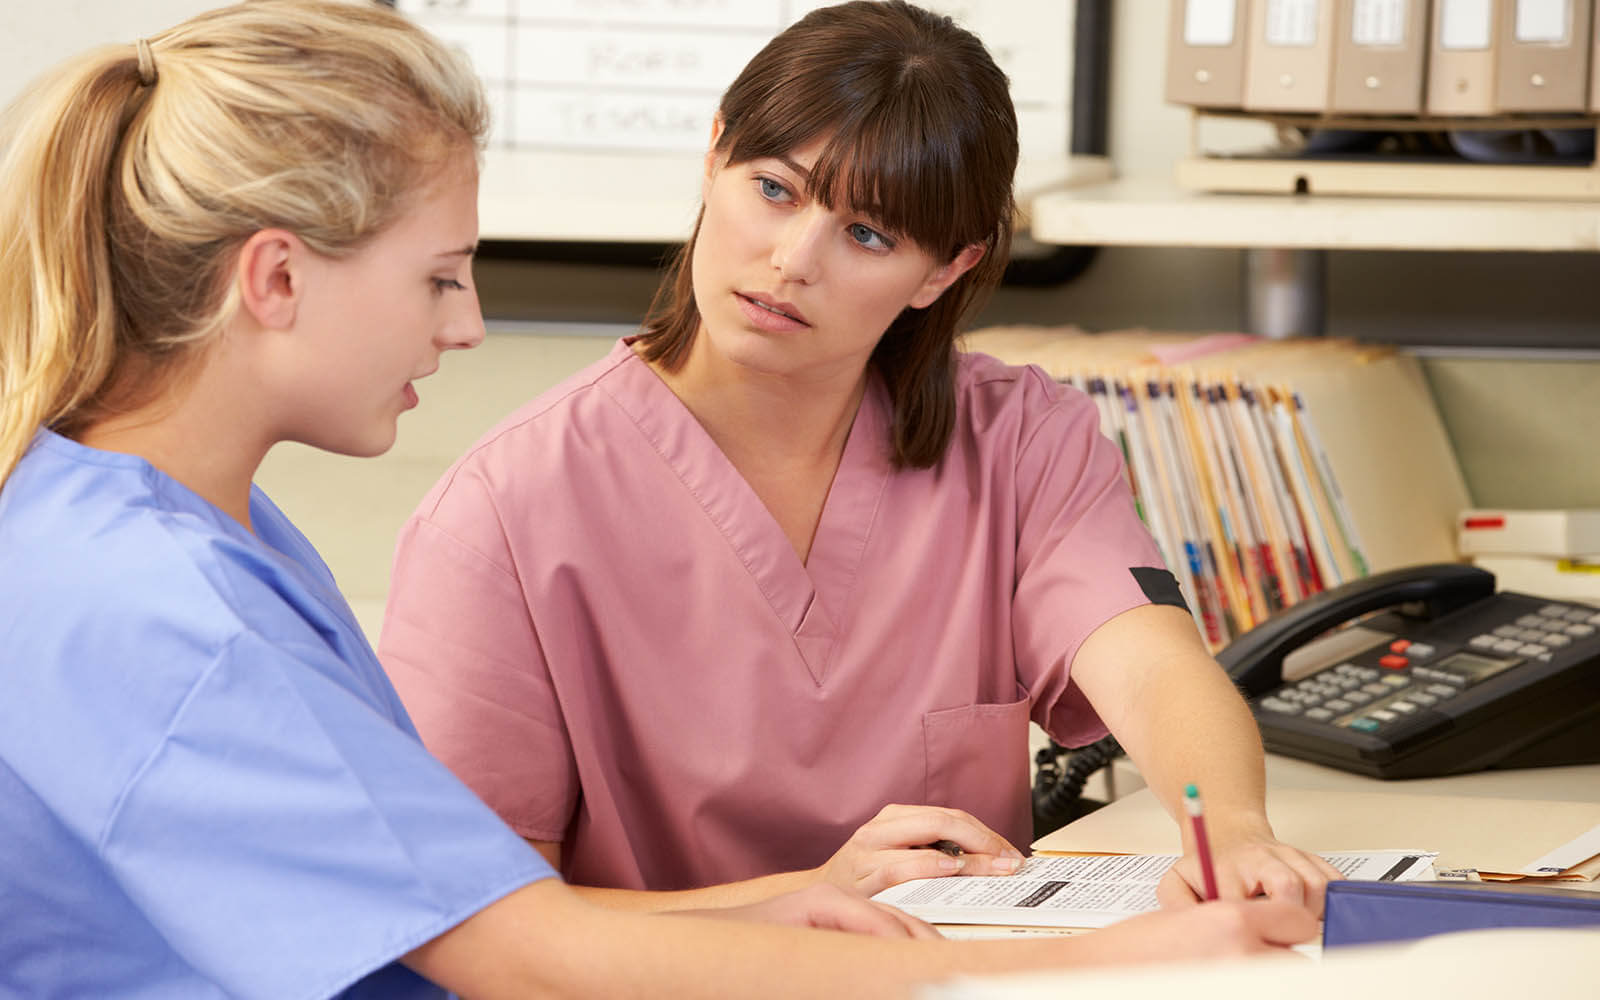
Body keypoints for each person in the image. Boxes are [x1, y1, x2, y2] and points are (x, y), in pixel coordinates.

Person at [0, 1, 1322, 997]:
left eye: (868, 233)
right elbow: (505, 947)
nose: (468, 327)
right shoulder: (191, 599)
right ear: (279, 281)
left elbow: (462, 911)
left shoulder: (187, 535)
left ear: (945, 270)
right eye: (441, 277)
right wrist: (1116, 958)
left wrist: (811, 896)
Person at [379, 0, 1343, 915]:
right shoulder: (505, 509)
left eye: (868, 234)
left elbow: (1148, 662)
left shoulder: (1020, 441)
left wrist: (1235, 834)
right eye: (773, 190)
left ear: (946, 269)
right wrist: (807, 901)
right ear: (714, 152)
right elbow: (488, 926)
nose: (794, 259)